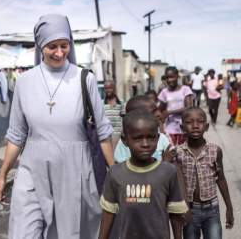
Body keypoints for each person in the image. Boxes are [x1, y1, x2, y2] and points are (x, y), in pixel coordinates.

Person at [0, 14, 115, 239]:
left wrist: (115, 173)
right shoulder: (24, 82)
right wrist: (2, 175)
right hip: (32, 168)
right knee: (23, 232)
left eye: (64, 45)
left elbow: (103, 132)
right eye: (52, 46)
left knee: (68, 234)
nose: (59, 52)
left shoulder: (84, 79)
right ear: (40, 46)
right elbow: (17, 134)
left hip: (75, 171)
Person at [98, 110, 188, 239]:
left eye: (151, 137)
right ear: (125, 140)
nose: (145, 144)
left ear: (157, 138)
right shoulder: (115, 173)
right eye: (137, 138)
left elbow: (175, 213)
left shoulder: (168, 172)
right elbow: (108, 213)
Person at [171, 107, 234, 238]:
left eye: (200, 122)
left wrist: (229, 207)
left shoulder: (215, 151)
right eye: (189, 122)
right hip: (189, 209)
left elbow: (221, 179)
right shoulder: (178, 153)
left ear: (206, 127)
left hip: (212, 210)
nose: (195, 126)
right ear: (182, 127)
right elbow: (175, 183)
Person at [114, 95, 170, 163]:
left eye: (151, 137)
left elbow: (168, 166)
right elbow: (120, 168)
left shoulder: (162, 139)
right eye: (153, 111)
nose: (159, 114)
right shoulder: (124, 142)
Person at [158, 66, 193, 145]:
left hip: (184, 128)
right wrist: (161, 128)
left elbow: (189, 108)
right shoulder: (164, 92)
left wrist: (170, 112)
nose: (169, 80)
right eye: (167, 77)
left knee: (183, 153)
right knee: (171, 153)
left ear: (177, 76)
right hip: (170, 129)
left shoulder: (185, 89)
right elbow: (159, 112)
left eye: (172, 77)